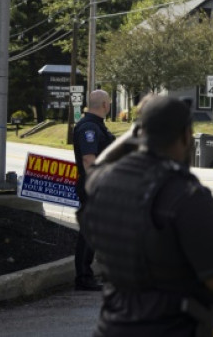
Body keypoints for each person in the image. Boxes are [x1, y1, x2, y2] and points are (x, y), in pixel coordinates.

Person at [78, 95, 213, 337]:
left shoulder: (103, 183)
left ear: (141, 134)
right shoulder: (186, 195)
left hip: (111, 328)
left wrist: (135, 132)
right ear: (186, 136)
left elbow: (97, 166)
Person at [72, 89, 115, 292]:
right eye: (109, 103)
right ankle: (83, 277)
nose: (110, 105)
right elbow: (89, 159)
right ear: (105, 105)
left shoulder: (97, 126)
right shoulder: (89, 127)